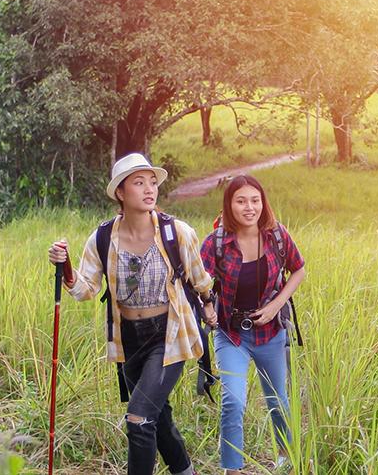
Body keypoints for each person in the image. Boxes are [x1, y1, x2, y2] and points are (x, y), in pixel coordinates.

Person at [48, 153, 217, 475]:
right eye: (138, 183)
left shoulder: (177, 233)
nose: (148, 189)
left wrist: (209, 304)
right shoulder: (102, 238)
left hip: (169, 335)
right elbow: (85, 290)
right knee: (158, 414)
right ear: (121, 193)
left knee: (139, 418)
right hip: (128, 338)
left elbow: (199, 277)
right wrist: (65, 267)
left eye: (152, 182)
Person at [201, 175, 306, 474]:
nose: (249, 207)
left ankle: (286, 458)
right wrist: (207, 305)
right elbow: (196, 280)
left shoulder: (276, 235)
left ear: (263, 202)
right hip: (231, 333)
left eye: (255, 200)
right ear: (229, 205)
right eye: (241, 201)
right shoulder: (216, 243)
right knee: (233, 400)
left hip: (271, 332)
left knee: (278, 399)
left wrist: (275, 305)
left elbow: (298, 270)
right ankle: (231, 469)